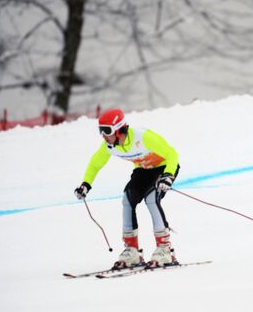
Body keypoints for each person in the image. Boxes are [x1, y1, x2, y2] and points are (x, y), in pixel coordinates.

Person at [74, 108, 180, 269]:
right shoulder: (109, 146)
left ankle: (165, 249)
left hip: (164, 168)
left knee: (151, 199)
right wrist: (85, 184)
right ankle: (132, 251)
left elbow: (172, 154)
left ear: (118, 129)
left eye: (106, 131)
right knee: (127, 199)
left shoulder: (142, 137)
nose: (103, 135)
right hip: (143, 169)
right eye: (100, 131)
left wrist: (169, 175)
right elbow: (96, 163)